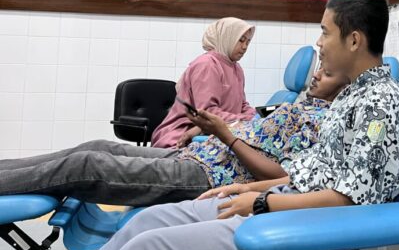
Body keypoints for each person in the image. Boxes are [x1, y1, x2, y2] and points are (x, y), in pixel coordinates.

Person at [60, 0, 399, 250]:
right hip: (283, 204)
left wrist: (262, 203)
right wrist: (247, 188)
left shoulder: (379, 106)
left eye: (325, 32)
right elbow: (310, 176)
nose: (319, 43)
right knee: (145, 222)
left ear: (354, 40)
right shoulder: (351, 97)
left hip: (311, 237)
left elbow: (349, 201)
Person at [0, 68, 347, 207]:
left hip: (208, 176)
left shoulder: (324, 123)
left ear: (345, 86)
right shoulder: (300, 105)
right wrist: (212, 131)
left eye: (328, 73)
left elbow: (281, 176)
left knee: (86, 165)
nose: (316, 75)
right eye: (319, 68)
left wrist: (226, 136)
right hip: (199, 156)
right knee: (96, 146)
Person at [151, 17, 256, 148]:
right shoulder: (207, 64)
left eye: (248, 42)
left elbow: (242, 105)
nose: (245, 47)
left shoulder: (236, 68)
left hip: (215, 135)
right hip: (181, 139)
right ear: (226, 37)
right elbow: (207, 113)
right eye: (240, 40)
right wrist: (245, 120)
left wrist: (257, 116)